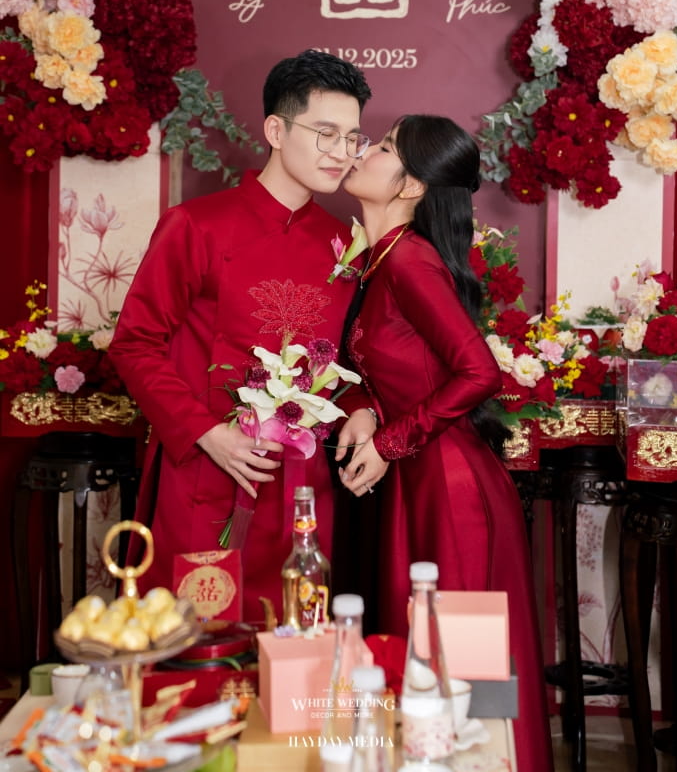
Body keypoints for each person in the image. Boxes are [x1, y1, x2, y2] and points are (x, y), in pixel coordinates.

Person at [109, 49, 376, 622]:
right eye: (325, 133)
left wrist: (360, 410)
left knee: (295, 639)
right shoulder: (195, 226)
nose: (341, 152)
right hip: (206, 468)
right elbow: (134, 343)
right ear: (276, 131)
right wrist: (206, 432)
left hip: (303, 483)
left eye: (353, 138)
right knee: (195, 641)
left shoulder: (347, 247)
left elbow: (348, 362)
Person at [336, 114, 554, 772]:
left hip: (451, 492)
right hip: (422, 477)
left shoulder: (408, 259)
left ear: (410, 186)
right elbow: (406, 371)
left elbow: (478, 373)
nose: (362, 151)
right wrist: (368, 413)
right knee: (429, 665)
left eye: (382, 147)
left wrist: (390, 440)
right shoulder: (380, 259)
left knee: (464, 669)